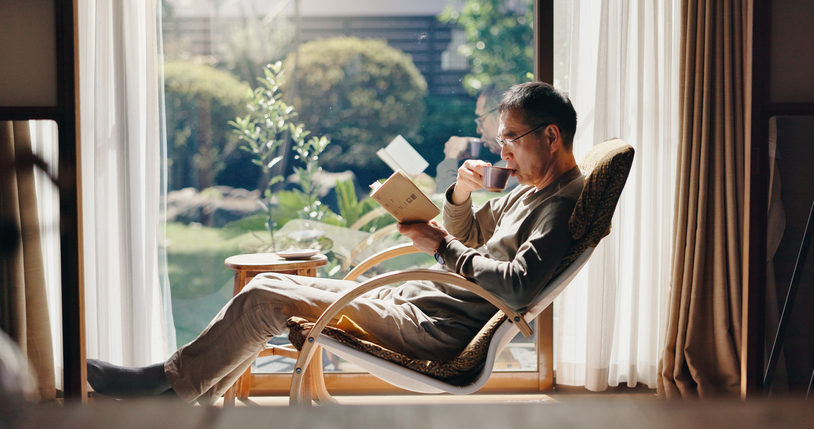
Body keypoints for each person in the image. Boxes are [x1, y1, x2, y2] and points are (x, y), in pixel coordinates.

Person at [87, 82, 583, 405]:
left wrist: (438, 246)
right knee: (266, 287)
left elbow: (517, 287)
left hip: (432, 328)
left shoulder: (559, 207)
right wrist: (460, 194)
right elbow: (469, 233)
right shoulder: (530, 192)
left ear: (551, 136)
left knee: (265, 298)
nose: (502, 151)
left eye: (511, 139)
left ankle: (167, 386)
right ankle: (181, 391)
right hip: (412, 303)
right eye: (501, 140)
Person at [434, 86, 519, 193]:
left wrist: (451, 156)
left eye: (481, 120)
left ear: (501, 118)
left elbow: (449, 200)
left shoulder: (513, 170)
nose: (478, 130)